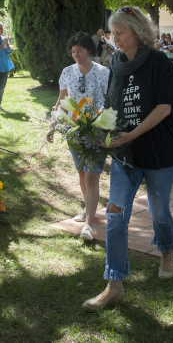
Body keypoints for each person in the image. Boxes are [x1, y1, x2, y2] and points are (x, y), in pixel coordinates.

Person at [82, 6, 173, 312]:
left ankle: (166, 250)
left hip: (159, 152)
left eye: (121, 33)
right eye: (113, 33)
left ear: (137, 32)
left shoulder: (158, 62)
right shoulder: (116, 63)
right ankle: (114, 284)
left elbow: (164, 107)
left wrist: (133, 133)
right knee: (114, 215)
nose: (115, 39)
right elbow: (113, 105)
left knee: (159, 210)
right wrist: (97, 128)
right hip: (125, 154)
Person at [50, 33, 110, 240]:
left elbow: (108, 101)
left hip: (97, 130)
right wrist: (53, 125)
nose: (76, 55)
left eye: (80, 51)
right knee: (82, 173)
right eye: (73, 52)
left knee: (93, 174)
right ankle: (88, 208)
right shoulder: (67, 72)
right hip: (73, 130)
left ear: (90, 51)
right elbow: (61, 101)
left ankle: (88, 226)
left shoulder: (103, 72)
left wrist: (101, 122)